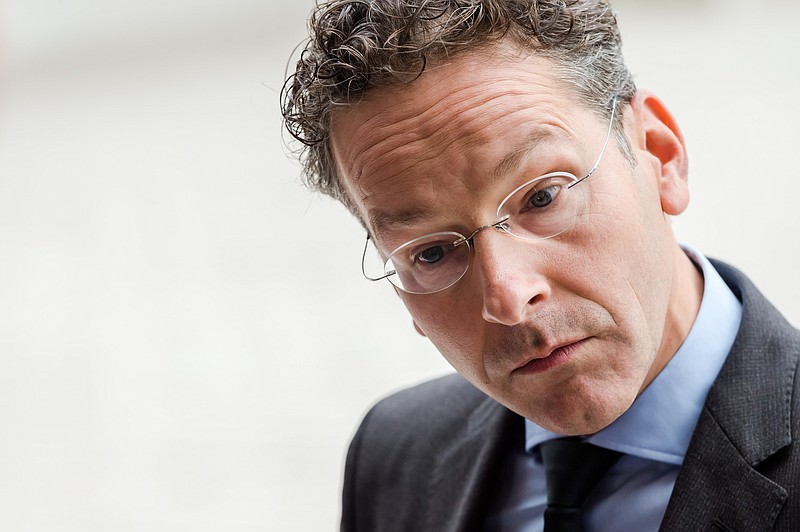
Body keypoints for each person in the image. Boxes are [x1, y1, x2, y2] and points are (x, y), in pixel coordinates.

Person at [281, 0, 800, 530]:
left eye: (543, 198)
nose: (506, 297)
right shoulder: (393, 456)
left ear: (661, 157)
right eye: (431, 253)